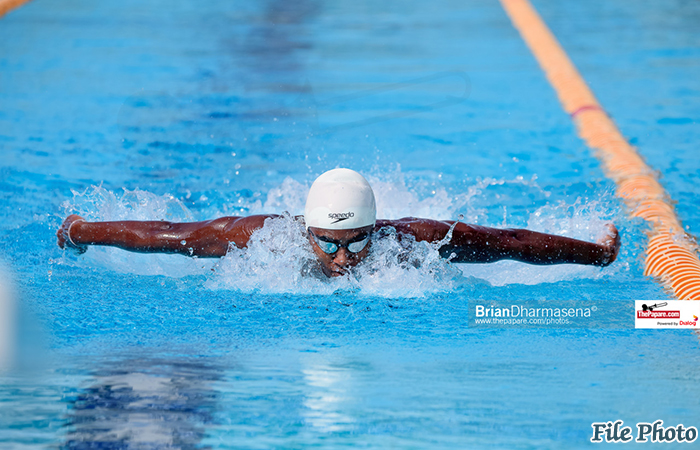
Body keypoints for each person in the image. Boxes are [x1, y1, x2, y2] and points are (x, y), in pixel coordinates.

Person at [57, 168, 620, 278]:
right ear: (304, 230)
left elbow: (508, 242)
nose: (344, 260)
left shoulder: (412, 241)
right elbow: (166, 236)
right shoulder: (256, 240)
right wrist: (78, 230)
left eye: (358, 243)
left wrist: (596, 253)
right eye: (327, 243)